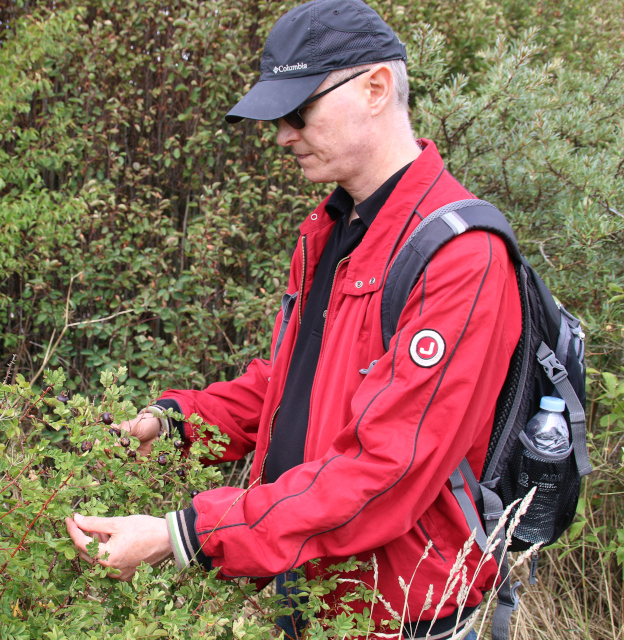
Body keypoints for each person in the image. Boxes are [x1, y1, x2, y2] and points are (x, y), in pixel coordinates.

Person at [66, 1, 522, 638]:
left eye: (298, 110)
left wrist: (185, 534)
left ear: (375, 87)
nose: (283, 134)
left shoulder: (459, 255)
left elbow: (386, 471)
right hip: (310, 597)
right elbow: (291, 388)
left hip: (404, 616)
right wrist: (175, 423)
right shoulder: (334, 232)